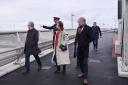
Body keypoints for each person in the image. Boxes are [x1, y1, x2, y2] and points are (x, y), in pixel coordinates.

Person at [75, 17, 92, 85]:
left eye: (79, 22)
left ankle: (85, 78)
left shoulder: (88, 28)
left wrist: (85, 43)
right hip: (79, 49)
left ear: (83, 22)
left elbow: (91, 38)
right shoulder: (78, 28)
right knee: (81, 63)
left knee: (85, 63)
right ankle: (82, 73)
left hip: (85, 49)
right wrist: (76, 41)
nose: (78, 23)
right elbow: (77, 36)